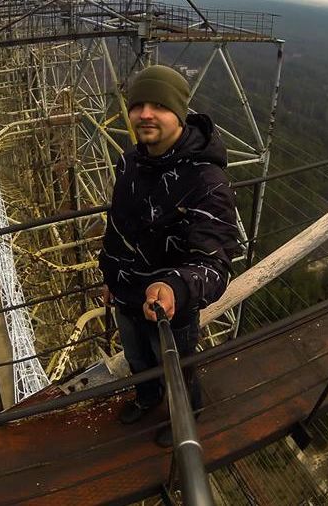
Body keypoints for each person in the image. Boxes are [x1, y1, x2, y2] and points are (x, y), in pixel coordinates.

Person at [98, 65, 241, 446]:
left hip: (169, 308)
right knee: (138, 360)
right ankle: (147, 398)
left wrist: (174, 287)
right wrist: (110, 278)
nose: (145, 114)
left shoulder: (207, 182)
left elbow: (215, 264)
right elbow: (118, 227)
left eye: (159, 105)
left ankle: (186, 417)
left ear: (179, 113)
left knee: (178, 368)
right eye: (138, 104)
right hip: (127, 295)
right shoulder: (130, 161)